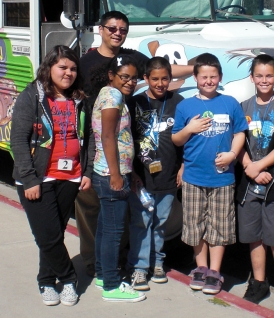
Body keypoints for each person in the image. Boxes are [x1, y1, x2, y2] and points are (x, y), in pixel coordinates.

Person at [76, 10, 192, 277]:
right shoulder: (86, 62)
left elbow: (161, 69)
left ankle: (116, 261)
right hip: (99, 147)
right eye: (112, 28)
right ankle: (97, 264)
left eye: (123, 29)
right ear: (101, 29)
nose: (117, 33)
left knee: (117, 215)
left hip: (127, 143)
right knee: (93, 209)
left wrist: (199, 70)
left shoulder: (132, 58)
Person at [10, 45, 93, 306]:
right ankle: (69, 278)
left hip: (70, 176)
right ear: (49, 68)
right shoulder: (31, 96)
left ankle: (46, 280)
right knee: (46, 235)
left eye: (72, 68)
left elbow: (88, 139)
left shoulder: (79, 99)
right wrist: (30, 179)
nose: (68, 73)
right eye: (62, 67)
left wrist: (87, 172)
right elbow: (18, 140)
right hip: (38, 176)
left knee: (54, 233)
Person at [172, 53, 248, 294]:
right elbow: (176, 139)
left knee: (219, 225)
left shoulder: (230, 103)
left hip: (223, 177)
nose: (208, 81)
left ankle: (215, 272)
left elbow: (240, 133)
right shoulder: (185, 106)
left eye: (213, 76)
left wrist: (233, 154)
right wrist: (189, 129)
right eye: (203, 76)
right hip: (194, 177)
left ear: (220, 77)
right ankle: (201, 268)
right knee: (195, 225)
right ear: (195, 78)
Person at [236, 55, 274, 315]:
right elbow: (236, 141)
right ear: (252, 78)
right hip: (249, 183)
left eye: (269, 76)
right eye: (259, 76)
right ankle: (258, 282)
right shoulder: (242, 107)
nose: (264, 80)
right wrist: (249, 167)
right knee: (254, 237)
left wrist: (259, 167)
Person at [90, 54, 145, 303]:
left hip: (112, 171)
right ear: (112, 75)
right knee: (113, 231)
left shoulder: (109, 93)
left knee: (105, 226)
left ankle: (102, 274)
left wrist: (127, 171)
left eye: (134, 78)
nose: (131, 82)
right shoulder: (112, 96)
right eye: (125, 77)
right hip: (110, 173)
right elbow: (109, 136)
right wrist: (115, 174)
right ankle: (112, 286)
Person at [127, 57, 184, 290]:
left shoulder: (179, 102)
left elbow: (186, 140)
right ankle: (139, 268)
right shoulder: (135, 103)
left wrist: (183, 166)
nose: (160, 84)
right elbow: (126, 139)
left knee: (160, 223)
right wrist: (130, 171)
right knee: (141, 222)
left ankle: (157, 262)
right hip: (141, 176)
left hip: (169, 175)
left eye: (165, 79)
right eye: (155, 79)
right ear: (145, 79)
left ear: (170, 79)